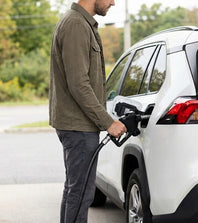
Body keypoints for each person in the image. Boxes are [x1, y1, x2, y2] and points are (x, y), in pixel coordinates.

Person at [49, 0, 126, 222]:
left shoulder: (81, 23)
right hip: (78, 127)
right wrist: (108, 122)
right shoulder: (75, 25)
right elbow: (78, 84)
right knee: (81, 193)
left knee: (76, 190)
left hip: (78, 126)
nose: (113, 2)